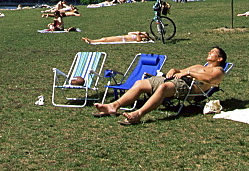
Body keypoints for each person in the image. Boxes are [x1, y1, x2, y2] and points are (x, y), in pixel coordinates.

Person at [92, 47, 227, 125]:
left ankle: (138, 114)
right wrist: (174, 70)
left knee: (163, 88)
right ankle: (113, 106)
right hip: (175, 80)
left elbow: (210, 79)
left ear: (220, 59)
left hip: (188, 88)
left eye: (213, 52)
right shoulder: (198, 66)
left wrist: (190, 73)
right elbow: (180, 71)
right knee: (139, 83)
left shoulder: (218, 71)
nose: (209, 52)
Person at [83, 31, 151, 44]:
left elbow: (138, 40)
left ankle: (91, 41)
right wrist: (138, 32)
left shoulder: (139, 38)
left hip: (122, 39)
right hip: (120, 37)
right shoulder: (136, 35)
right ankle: (91, 41)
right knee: (105, 38)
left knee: (105, 39)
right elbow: (129, 33)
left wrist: (139, 33)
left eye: (143, 34)